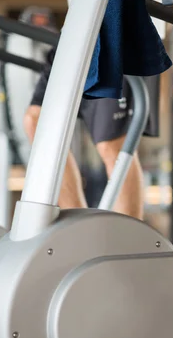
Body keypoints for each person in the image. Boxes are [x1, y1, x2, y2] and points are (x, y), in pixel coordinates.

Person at [24, 50, 144, 220]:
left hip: (111, 36)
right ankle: (79, 229)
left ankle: (130, 241)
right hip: (71, 40)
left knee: (112, 146)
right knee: (36, 121)